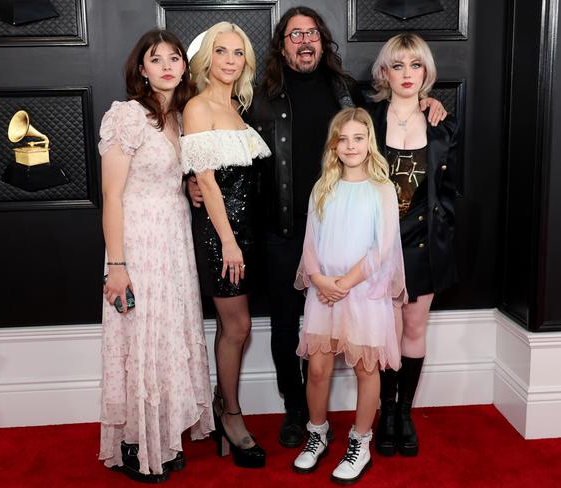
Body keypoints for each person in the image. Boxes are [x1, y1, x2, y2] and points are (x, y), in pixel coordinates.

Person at [188, 6, 447, 448]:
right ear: (281, 44)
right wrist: (191, 180)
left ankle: (352, 417)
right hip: (283, 228)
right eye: (294, 34)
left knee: (346, 324)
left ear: (323, 41)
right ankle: (297, 411)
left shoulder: (345, 89)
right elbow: (214, 138)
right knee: (289, 325)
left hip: (342, 227)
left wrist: (426, 100)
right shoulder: (257, 93)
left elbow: (381, 125)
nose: (304, 41)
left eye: (311, 33)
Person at [98, 29, 213, 483]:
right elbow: (112, 196)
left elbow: (170, 173)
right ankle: (133, 442)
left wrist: (186, 185)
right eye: (156, 58)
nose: (167, 65)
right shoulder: (127, 117)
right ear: (141, 69)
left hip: (174, 239)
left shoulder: (183, 116)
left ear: (184, 66)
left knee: (168, 335)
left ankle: (162, 433)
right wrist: (117, 266)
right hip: (138, 242)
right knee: (139, 336)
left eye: (175, 57)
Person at [292, 107, 405, 483]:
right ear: (334, 145)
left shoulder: (382, 189)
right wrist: (320, 280)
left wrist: (345, 283)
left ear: (369, 142)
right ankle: (317, 433)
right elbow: (310, 241)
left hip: (363, 293)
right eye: (344, 139)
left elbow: (382, 248)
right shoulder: (323, 187)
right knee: (319, 368)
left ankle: (361, 442)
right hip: (324, 292)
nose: (351, 145)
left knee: (365, 368)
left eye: (359, 138)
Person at [180, 22, 271, 469]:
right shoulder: (197, 107)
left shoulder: (238, 106)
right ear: (207, 59)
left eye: (239, 53)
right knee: (238, 327)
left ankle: (224, 404)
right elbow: (208, 184)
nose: (231, 60)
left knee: (232, 325)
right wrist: (229, 242)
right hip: (222, 236)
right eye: (222, 52)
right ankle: (230, 415)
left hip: (246, 231)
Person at [365, 32, 459, 457]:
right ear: (384, 72)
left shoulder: (444, 121)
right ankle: (386, 410)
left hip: (425, 241)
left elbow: (450, 187)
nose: (406, 74)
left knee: (415, 328)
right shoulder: (366, 117)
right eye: (397, 65)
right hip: (380, 242)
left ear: (426, 71)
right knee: (387, 331)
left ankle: (405, 412)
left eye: (415, 65)